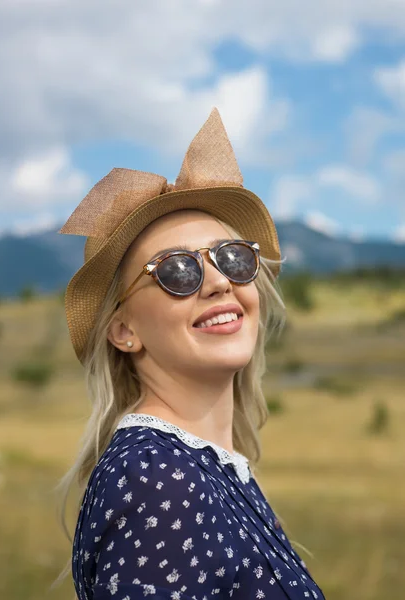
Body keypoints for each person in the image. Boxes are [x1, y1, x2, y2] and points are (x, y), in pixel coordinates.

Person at [53, 109, 327, 599]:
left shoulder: (198, 468)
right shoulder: (158, 480)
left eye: (233, 257)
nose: (220, 281)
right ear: (123, 330)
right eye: (178, 270)